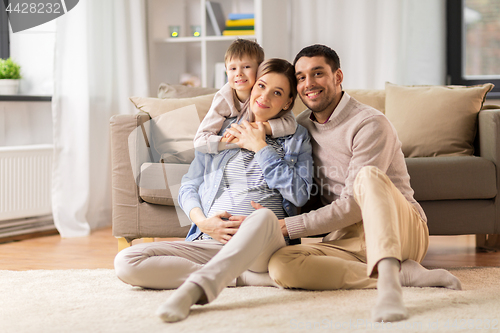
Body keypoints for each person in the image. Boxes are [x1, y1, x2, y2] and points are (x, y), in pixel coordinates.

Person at [255, 45, 462, 323]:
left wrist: (286, 226)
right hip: (344, 239)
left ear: (338, 76)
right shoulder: (302, 127)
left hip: (401, 229)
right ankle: (403, 275)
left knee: (367, 177)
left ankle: (390, 288)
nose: (309, 84)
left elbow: (353, 204)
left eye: (318, 73)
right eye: (301, 77)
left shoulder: (370, 123)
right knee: (281, 266)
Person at [114, 58, 313, 323]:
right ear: (252, 87)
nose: (264, 97)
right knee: (127, 261)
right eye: (261, 86)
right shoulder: (221, 135)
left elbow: (299, 194)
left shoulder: (296, 138)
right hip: (211, 242)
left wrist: (261, 148)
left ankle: (198, 288)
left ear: (287, 102)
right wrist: (204, 223)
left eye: (276, 93)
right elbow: (189, 185)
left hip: (265, 246)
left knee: (262, 218)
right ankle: (243, 277)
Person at [194, 39, 296, 154]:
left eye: (246, 67)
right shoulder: (224, 98)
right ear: (227, 73)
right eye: (233, 68)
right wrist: (238, 139)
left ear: (259, 70)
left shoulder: (265, 94)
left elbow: (291, 125)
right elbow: (200, 141)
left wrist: (253, 127)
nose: (239, 73)